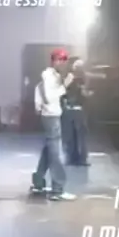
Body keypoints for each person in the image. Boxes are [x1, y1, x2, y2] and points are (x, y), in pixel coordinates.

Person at [32, 48, 77, 201]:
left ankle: (38, 182)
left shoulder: (52, 76)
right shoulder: (48, 76)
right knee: (56, 153)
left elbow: (41, 92)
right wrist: (65, 86)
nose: (63, 64)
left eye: (65, 61)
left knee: (49, 150)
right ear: (54, 61)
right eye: (61, 60)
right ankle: (57, 189)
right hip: (51, 117)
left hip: (51, 116)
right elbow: (49, 97)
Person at [61, 57, 93, 166]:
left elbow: (84, 93)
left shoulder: (83, 78)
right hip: (73, 109)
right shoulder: (71, 78)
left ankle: (77, 158)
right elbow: (64, 90)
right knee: (75, 135)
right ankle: (74, 157)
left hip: (77, 109)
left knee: (79, 135)